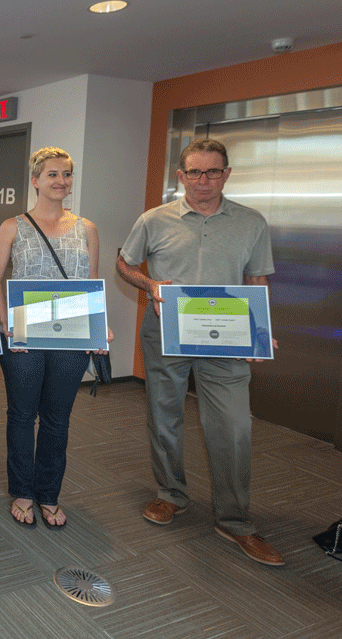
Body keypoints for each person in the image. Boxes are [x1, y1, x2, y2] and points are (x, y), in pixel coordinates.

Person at [116, 137, 283, 566]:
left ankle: (235, 520)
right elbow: (124, 263)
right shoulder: (155, 219)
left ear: (226, 174)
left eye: (212, 171)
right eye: (194, 171)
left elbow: (256, 280)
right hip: (166, 335)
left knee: (232, 427)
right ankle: (171, 495)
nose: (203, 180)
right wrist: (149, 284)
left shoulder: (251, 223)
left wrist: (260, 332)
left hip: (226, 338)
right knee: (164, 416)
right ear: (181, 175)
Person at [0, 147, 111, 531]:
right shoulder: (13, 226)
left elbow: (90, 283)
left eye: (67, 174)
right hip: (23, 332)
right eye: (52, 174)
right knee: (22, 416)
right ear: (36, 180)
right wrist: (5, 320)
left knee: (58, 420)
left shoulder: (87, 228)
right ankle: (23, 491)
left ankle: (49, 494)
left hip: (70, 336)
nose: (61, 181)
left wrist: (98, 324)